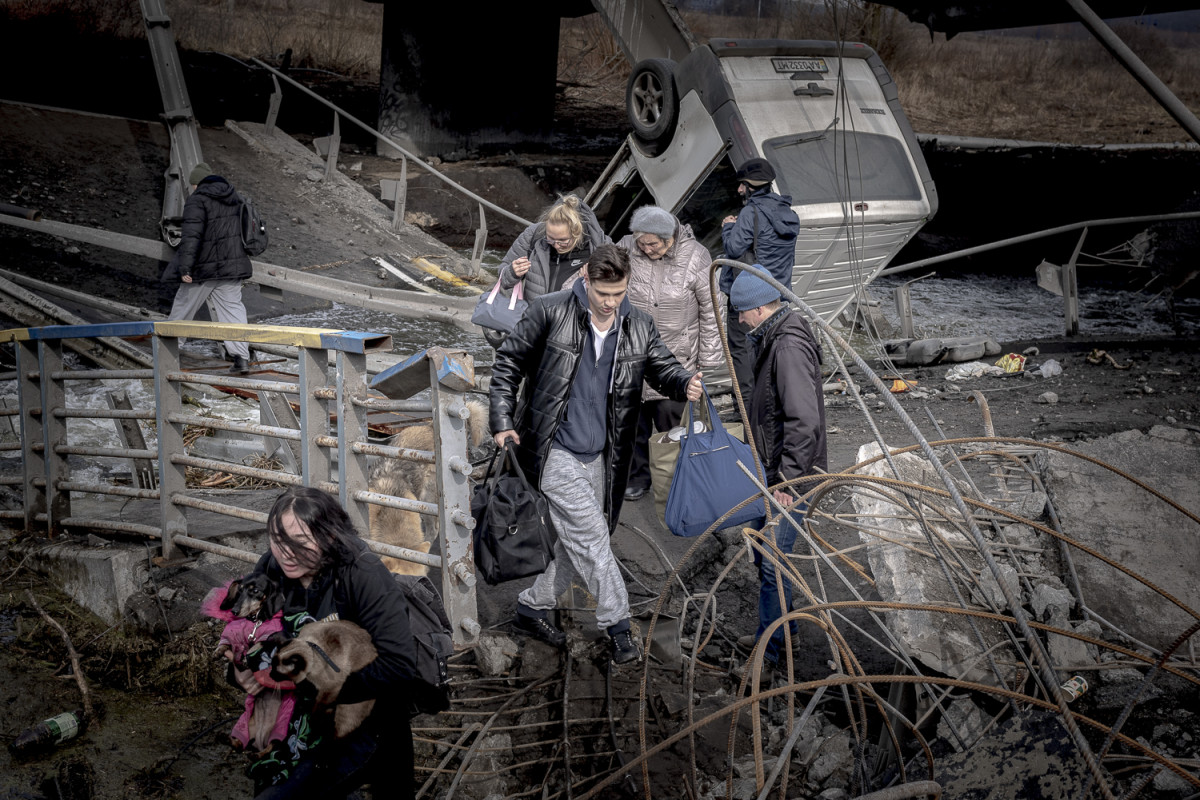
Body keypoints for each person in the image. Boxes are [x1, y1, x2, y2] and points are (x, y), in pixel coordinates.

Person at [488, 243, 704, 666]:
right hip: (553, 447)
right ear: (586, 278)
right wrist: (501, 421)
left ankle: (531, 608)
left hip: (604, 453)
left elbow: (662, 367)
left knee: (578, 544)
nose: (610, 302)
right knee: (592, 540)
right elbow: (507, 364)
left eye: (618, 294)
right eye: (603, 293)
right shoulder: (549, 311)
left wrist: (684, 382)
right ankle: (619, 626)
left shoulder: (637, 324)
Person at [232, 486, 419, 800]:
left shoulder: (363, 574)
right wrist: (241, 668)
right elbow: (253, 634)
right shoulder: (271, 569)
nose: (286, 553)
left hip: (368, 718)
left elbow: (398, 665)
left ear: (329, 536)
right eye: (277, 540)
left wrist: (315, 687)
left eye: (300, 542)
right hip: (296, 719)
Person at [728, 271, 827, 671]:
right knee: (764, 552)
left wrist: (787, 480)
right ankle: (785, 633)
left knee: (772, 559)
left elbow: (803, 419)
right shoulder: (774, 337)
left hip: (790, 476)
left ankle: (768, 652)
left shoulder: (786, 347)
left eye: (741, 312)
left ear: (758, 308)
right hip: (773, 468)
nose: (739, 320)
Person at [616, 205, 721, 502]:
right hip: (633, 354)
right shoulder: (626, 246)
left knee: (673, 425)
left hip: (677, 357)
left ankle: (679, 478)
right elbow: (602, 277)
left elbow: (712, 308)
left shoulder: (696, 255)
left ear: (669, 238)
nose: (646, 249)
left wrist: (707, 360)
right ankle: (637, 476)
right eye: (641, 243)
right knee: (632, 422)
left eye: (652, 244)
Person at [720, 158, 800, 403]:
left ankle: (748, 412)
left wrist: (728, 227)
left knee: (742, 352)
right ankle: (771, 404)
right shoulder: (789, 213)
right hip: (776, 295)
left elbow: (734, 249)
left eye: (742, 185)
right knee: (771, 351)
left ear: (751, 186)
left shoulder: (750, 212)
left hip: (750, 295)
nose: (739, 190)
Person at [165, 161, 255, 375]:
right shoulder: (234, 197)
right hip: (232, 267)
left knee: (183, 308)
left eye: (193, 184)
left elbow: (191, 237)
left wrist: (185, 268)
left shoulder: (197, 200)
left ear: (197, 183)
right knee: (233, 312)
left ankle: (167, 354)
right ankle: (241, 359)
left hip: (203, 270)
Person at [497, 194, 611, 302]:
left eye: (563, 241)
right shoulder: (534, 235)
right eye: (550, 239)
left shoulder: (600, 248)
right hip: (533, 313)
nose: (556, 245)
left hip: (571, 315)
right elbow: (502, 276)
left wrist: (590, 284)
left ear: (577, 232)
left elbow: (612, 296)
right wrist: (512, 272)